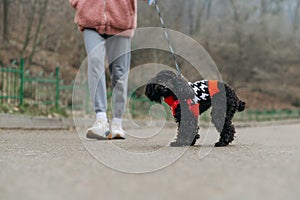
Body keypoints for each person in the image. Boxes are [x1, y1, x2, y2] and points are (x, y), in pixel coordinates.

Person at [70, 0, 155, 140]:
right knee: (95, 62)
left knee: (120, 73)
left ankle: (117, 122)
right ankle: (100, 119)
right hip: (90, 17)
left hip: (121, 19)